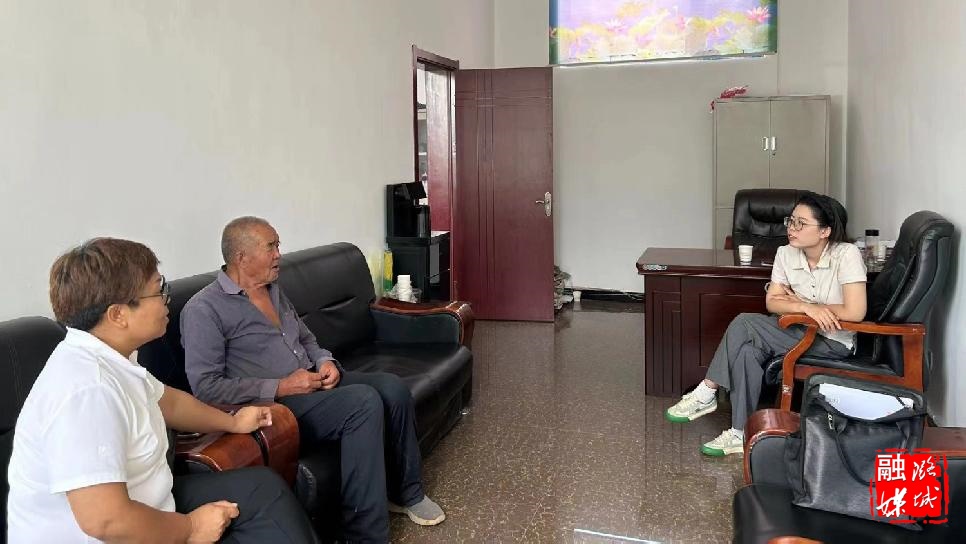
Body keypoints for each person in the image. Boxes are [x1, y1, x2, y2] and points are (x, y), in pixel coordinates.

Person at [6, 238, 318, 543]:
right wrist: (190, 527)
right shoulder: (88, 389)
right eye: (159, 290)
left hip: (148, 501)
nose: (166, 299)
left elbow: (169, 403)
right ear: (118, 315)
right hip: (120, 531)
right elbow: (106, 521)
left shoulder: (111, 359)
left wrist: (234, 422)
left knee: (263, 488)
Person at [180, 217, 444, 543]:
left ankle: (407, 493)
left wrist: (325, 361)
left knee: (393, 388)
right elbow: (206, 387)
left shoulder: (273, 289)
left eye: (278, 245)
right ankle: (364, 534)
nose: (279, 254)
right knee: (363, 403)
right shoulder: (203, 309)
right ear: (241, 257)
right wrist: (282, 386)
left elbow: (306, 339)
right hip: (276, 406)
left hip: (313, 382)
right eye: (271, 247)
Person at [665, 192, 867, 456]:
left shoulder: (846, 254)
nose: (791, 228)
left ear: (824, 231)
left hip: (831, 341)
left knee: (744, 322)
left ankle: (707, 390)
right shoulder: (785, 253)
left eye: (801, 223)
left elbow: (855, 311)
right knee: (747, 352)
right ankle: (739, 433)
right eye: (790, 221)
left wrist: (800, 303)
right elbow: (772, 302)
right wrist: (806, 307)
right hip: (795, 329)